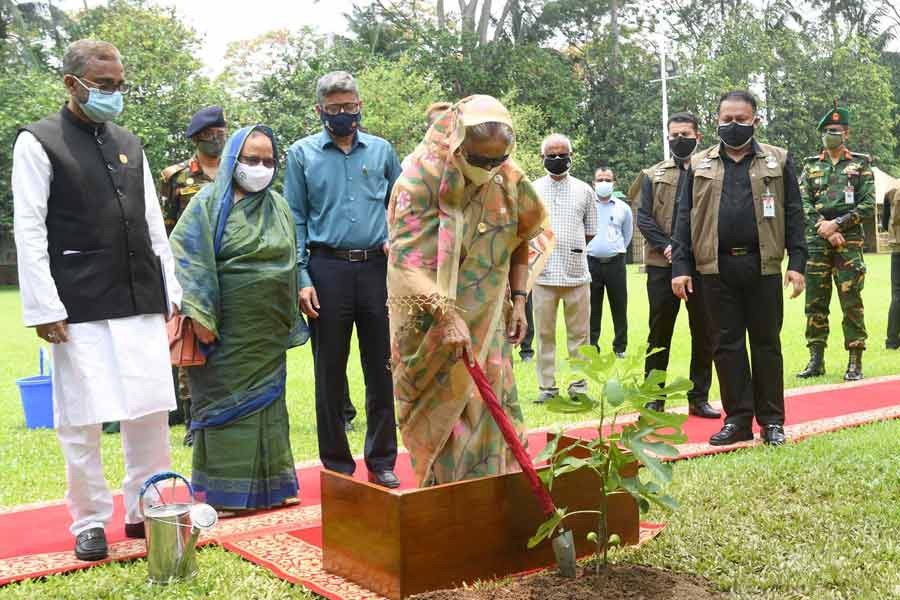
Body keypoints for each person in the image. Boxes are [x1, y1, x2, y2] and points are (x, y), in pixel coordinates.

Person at [12, 40, 180, 561]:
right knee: (81, 419)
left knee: (149, 411)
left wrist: (170, 288)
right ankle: (87, 520)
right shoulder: (38, 142)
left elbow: (154, 223)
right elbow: (29, 228)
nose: (113, 94)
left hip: (139, 296)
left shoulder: (130, 141)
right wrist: (44, 307)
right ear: (72, 83)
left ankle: (144, 508)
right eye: (103, 86)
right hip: (78, 303)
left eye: (118, 86)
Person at [386, 95, 551, 486]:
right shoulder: (418, 178)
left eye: (497, 160)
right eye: (479, 160)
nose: (488, 169)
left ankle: (496, 486)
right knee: (446, 411)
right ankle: (445, 492)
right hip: (429, 321)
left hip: (488, 318)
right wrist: (447, 315)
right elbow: (404, 260)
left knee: (490, 402)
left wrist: (520, 301)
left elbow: (522, 239)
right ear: (456, 143)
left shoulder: (508, 178)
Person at [169, 125, 306, 512]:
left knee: (268, 409)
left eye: (267, 161)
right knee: (227, 409)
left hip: (268, 330)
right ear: (233, 160)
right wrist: (199, 314)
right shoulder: (208, 203)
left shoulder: (278, 205)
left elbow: (292, 258)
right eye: (251, 160)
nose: (260, 167)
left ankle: (274, 488)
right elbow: (186, 256)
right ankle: (226, 494)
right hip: (223, 327)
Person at [285, 71, 400, 488]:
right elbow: (294, 218)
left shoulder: (383, 151)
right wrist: (301, 276)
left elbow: (400, 206)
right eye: (334, 109)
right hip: (326, 268)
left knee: (382, 367)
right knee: (329, 371)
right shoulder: (300, 155)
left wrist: (396, 242)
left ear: (360, 106)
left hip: (376, 269)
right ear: (319, 111)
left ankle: (383, 459)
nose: (343, 114)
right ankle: (337, 465)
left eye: (349, 107)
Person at [672, 90, 806, 447]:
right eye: (727, 119)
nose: (733, 126)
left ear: (755, 121)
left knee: (766, 344)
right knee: (726, 345)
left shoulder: (778, 160)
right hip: (714, 268)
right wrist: (680, 267)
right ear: (717, 121)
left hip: (762, 265)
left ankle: (773, 422)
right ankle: (738, 419)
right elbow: (683, 219)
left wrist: (798, 262)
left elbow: (793, 212)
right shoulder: (699, 164)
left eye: (741, 120)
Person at [632, 112, 719, 418]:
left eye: (685, 134)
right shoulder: (652, 174)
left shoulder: (710, 172)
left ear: (698, 137)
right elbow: (643, 217)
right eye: (673, 135)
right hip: (661, 264)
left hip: (700, 265)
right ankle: (654, 398)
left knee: (705, 330)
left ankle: (699, 396)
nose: (678, 140)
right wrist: (669, 247)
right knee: (659, 332)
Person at [159, 105, 227, 446]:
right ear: (198, 137)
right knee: (192, 345)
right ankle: (193, 418)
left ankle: (227, 411)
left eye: (221, 131)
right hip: (192, 270)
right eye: (211, 133)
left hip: (231, 268)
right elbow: (165, 228)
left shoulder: (235, 171)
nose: (218, 138)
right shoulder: (177, 177)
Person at [796, 103, 874, 381]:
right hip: (817, 241)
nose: (831, 135)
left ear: (846, 134)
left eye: (836, 131)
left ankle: (855, 360)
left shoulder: (860, 165)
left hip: (848, 243)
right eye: (827, 131)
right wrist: (825, 228)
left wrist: (838, 225)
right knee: (815, 301)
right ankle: (816, 359)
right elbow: (802, 202)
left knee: (850, 300)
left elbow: (867, 205)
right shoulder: (810, 166)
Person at [531, 134, 597, 403]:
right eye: (551, 155)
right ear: (542, 158)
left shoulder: (585, 190)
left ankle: (578, 388)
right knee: (544, 334)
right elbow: (524, 231)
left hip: (577, 274)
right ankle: (547, 388)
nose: (557, 159)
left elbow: (591, 231)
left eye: (562, 154)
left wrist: (572, 247)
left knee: (580, 337)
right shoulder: (531, 190)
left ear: (571, 156)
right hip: (543, 275)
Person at [587, 166, 632, 358]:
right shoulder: (587, 206)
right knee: (591, 308)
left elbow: (627, 235)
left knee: (619, 306)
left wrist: (614, 249)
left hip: (616, 263)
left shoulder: (623, 208)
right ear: (593, 183)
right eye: (600, 180)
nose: (603, 183)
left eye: (607, 180)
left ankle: (620, 348)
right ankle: (591, 347)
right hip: (591, 263)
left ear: (614, 183)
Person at [883, 186, 900, 350]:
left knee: (897, 295)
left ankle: (892, 340)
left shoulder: (891, 191)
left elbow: (884, 223)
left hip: (897, 248)